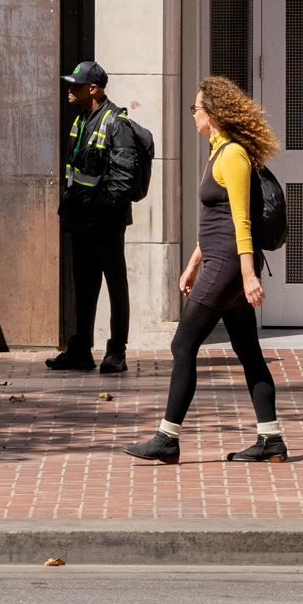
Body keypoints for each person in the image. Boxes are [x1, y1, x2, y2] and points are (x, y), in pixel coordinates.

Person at [125, 75, 286, 464]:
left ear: (210, 114)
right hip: (218, 263)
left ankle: (167, 438)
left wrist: (248, 276)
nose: (194, 113)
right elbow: (214, 218)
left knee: (183, 345)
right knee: (248, 351)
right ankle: (271, 439)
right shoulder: (220, 151)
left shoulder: (231, 154)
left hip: (228, 266)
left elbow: (241, 221)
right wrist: (192, 265)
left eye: (196, 108)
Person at [46, 60, 150, 375]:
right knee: (85, 284)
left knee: (115, 284)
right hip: (81, 218)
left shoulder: (114, 123)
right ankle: (80, 350)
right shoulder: (81, 121)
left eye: (76, 84)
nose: (69, 89)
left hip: (105, 220)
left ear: (94, 88)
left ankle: (116, 352)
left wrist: (99, 209)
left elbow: (123, 178)